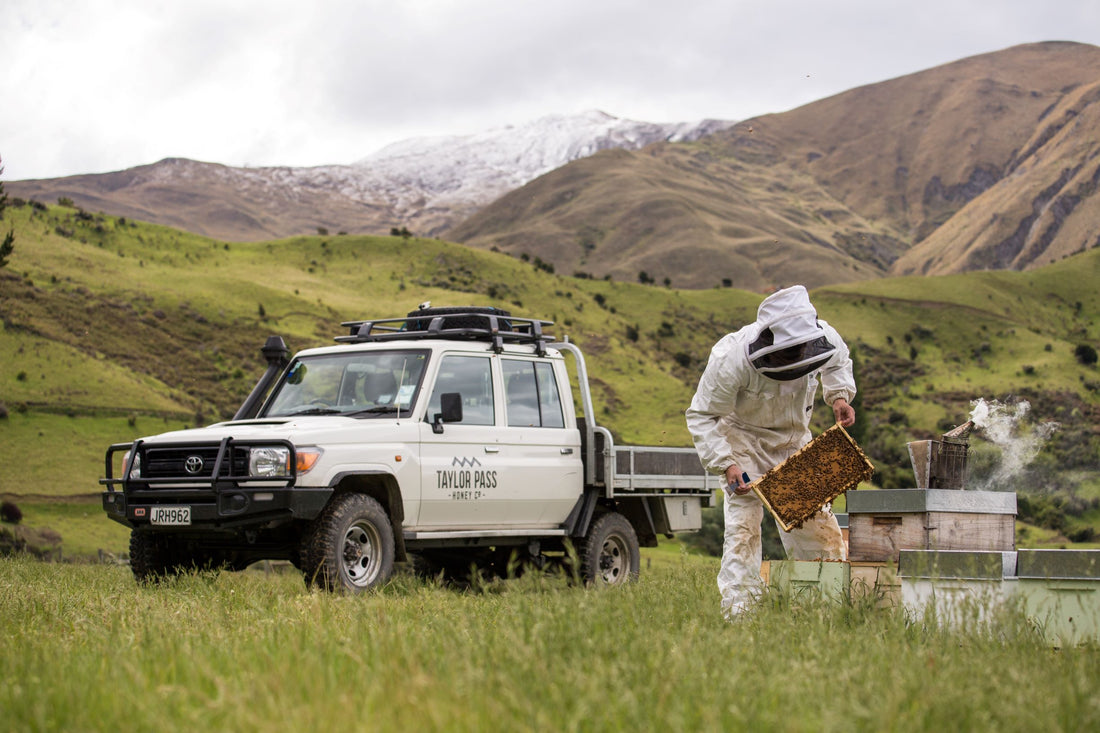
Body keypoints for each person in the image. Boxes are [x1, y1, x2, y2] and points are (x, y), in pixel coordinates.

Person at [685, 285, 856, 619]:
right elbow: (702, 415)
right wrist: (726, 463)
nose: (793, 361)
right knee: (744, 531)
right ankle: (741, 616)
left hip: (793, 445)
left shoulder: (823, 336)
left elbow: (838, 362)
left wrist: (839, 396)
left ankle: (826, 611)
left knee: (818, 529)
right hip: (743, 446)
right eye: (786, 354)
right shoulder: (730, 357)